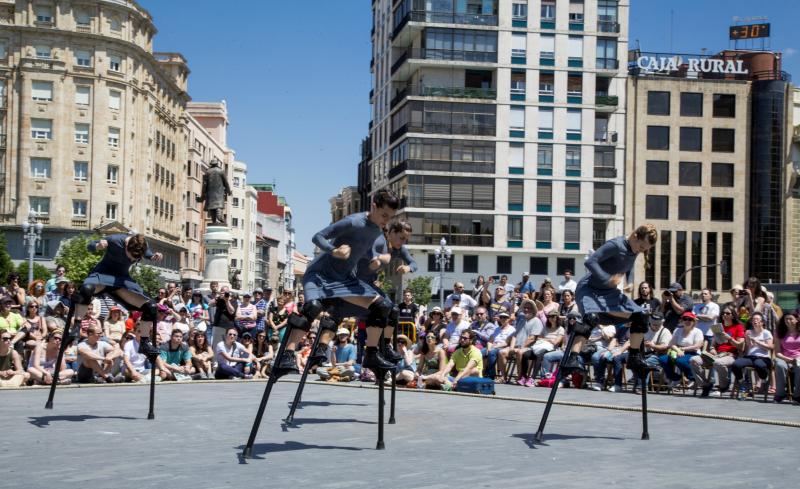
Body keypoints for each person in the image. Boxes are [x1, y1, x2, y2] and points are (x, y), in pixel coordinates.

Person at [275, 189, 400, 376]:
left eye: (390, 217)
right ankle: (287, 354)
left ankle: (372, 354)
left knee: (382, 307)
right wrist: (334, 250)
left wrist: (376, 259)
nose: (386, 221)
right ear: (373, 205)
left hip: (344, 278)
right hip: (321, 273)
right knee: (313, 308)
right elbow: (317, 236)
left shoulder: (376, 230)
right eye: (383, 215)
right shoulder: (353, 221)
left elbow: (362, 249)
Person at [563, 224, 659, 377]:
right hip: (590, 289)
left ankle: (634, 357)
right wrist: (607, 279)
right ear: (635, 236)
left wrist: (629, 281)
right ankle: (572, 359)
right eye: (641, 246)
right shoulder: (615, 245)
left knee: (641, 316)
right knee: (591, 318)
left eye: (644, 249)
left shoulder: (634, 249)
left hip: (609, 292)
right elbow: (591, 262)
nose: (641, 251)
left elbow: (629, 266)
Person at [74, 233, 164, 357]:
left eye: (135, 259)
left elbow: (148, 254)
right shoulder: (114, 240)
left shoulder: (142, 244)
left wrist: (154, 256)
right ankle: (76, 326)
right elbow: (90, 245)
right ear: (126, 246)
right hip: (102, 275)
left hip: (121, 280)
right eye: (131, 257)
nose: (132, 260)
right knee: (87, 288)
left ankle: (144, 343)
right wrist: (97, 246)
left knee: (151, 306)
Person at [692, 305, 745, 397]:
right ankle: (706, 385)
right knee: (694, 360)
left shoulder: (738, 327)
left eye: (727, 313)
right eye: (723, 313)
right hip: (717, 355)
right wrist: (712, 349)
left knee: (717, 363)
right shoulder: (718, 327)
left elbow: (740, 346)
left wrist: (730, 339)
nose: (724, 315)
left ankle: (723, 386)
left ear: (733, 315)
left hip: (731, 355)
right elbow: (713, 344)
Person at [731, 312, 773, 396]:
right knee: (736, 364)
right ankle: (741, 382)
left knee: (759, 365)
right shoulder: (748, 332)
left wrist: (757, 342)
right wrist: (748, 341)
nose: (755, 321)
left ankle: (764, 380)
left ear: (762, 322)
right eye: (753, 319)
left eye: (757, 319)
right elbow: (747, 347)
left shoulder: (766, 333)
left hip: (763, 357)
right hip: (750, 357)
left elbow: (770, 347)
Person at [658, 311, 704, 387]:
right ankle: (675, 378)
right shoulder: (677, 330)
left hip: (692, 353)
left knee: (680, 361)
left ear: (694, 322)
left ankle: (692, 378)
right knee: (662, 359)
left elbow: (697, 346)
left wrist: (682, 349)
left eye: (690, 319)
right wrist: (678, 350)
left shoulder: (697, 331)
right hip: (677, 352)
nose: (687, 321)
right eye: (685, 319)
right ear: (682, 321)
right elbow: (671, 344)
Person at [513, 300, 544, 387]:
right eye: (525, 308)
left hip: (530, 347)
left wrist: (521, 347)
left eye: (529, 308)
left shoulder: (536, 321)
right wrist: (512, 346)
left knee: (519, 352)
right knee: (501, 352)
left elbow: (532, 338)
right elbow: (515, 335)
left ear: (533, 310)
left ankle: (520, 376)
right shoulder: (521, 320)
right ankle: (503, 377)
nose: (526, 310)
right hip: (517, 345)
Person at [773, 312, 800, 403]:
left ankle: (797, 395)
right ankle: (780, 393)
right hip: (783, 357)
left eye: (790, 319)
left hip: (798, 358)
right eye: (786, 319)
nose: (788, 321)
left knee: (799, 367)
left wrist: (796, 359)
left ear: (797, 320)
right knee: (780, 365)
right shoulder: (779, 333)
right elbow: (777, 352)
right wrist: (788, 359)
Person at [484, 311, 516, 382]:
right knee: (481, 352)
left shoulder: (512, 329)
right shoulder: (497, 329)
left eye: (505, 317)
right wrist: (489, 348)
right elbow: (490, 340)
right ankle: (481, 373)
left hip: (503, 347)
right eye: (501, 317)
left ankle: (490, 375)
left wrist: (495, 347)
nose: (503, 319)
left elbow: (507, 343)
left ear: (508, 319)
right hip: (493, 346)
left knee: (492, 353)